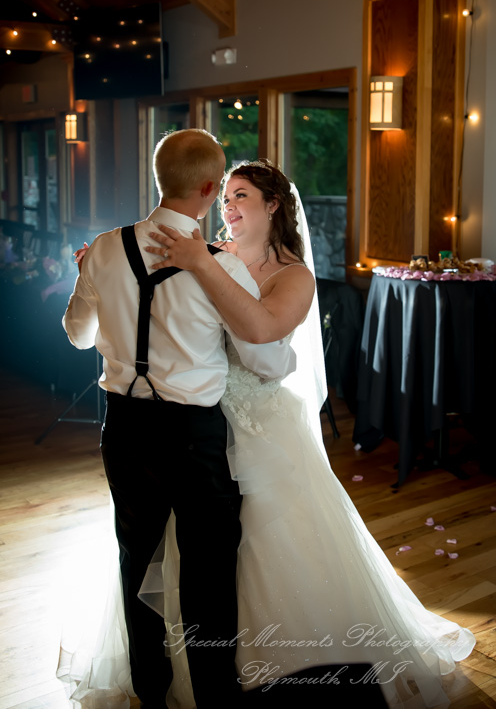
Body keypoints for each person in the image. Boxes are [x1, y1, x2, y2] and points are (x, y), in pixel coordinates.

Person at [142, 158, 476, 709]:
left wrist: (204, 266)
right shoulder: (212, 256)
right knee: (194, 541)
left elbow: (263, 339)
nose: (227, 206)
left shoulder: (292, 275)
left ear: (273, 206)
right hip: (196, 420)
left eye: (240, 194)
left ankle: (281, 662)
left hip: (260, 423)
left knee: (265, 534)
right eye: (224, 196)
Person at [61, 131, 296, 709]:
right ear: (211, 189)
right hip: (194, 436)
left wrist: (90, 280)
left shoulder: (104, 248)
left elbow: (77, 335)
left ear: (159, 177)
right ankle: (214, 694)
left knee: (135, 554)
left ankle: (150, 689)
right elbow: (264, 358)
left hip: (123, 427)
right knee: (208, 570)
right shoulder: (222, 266)